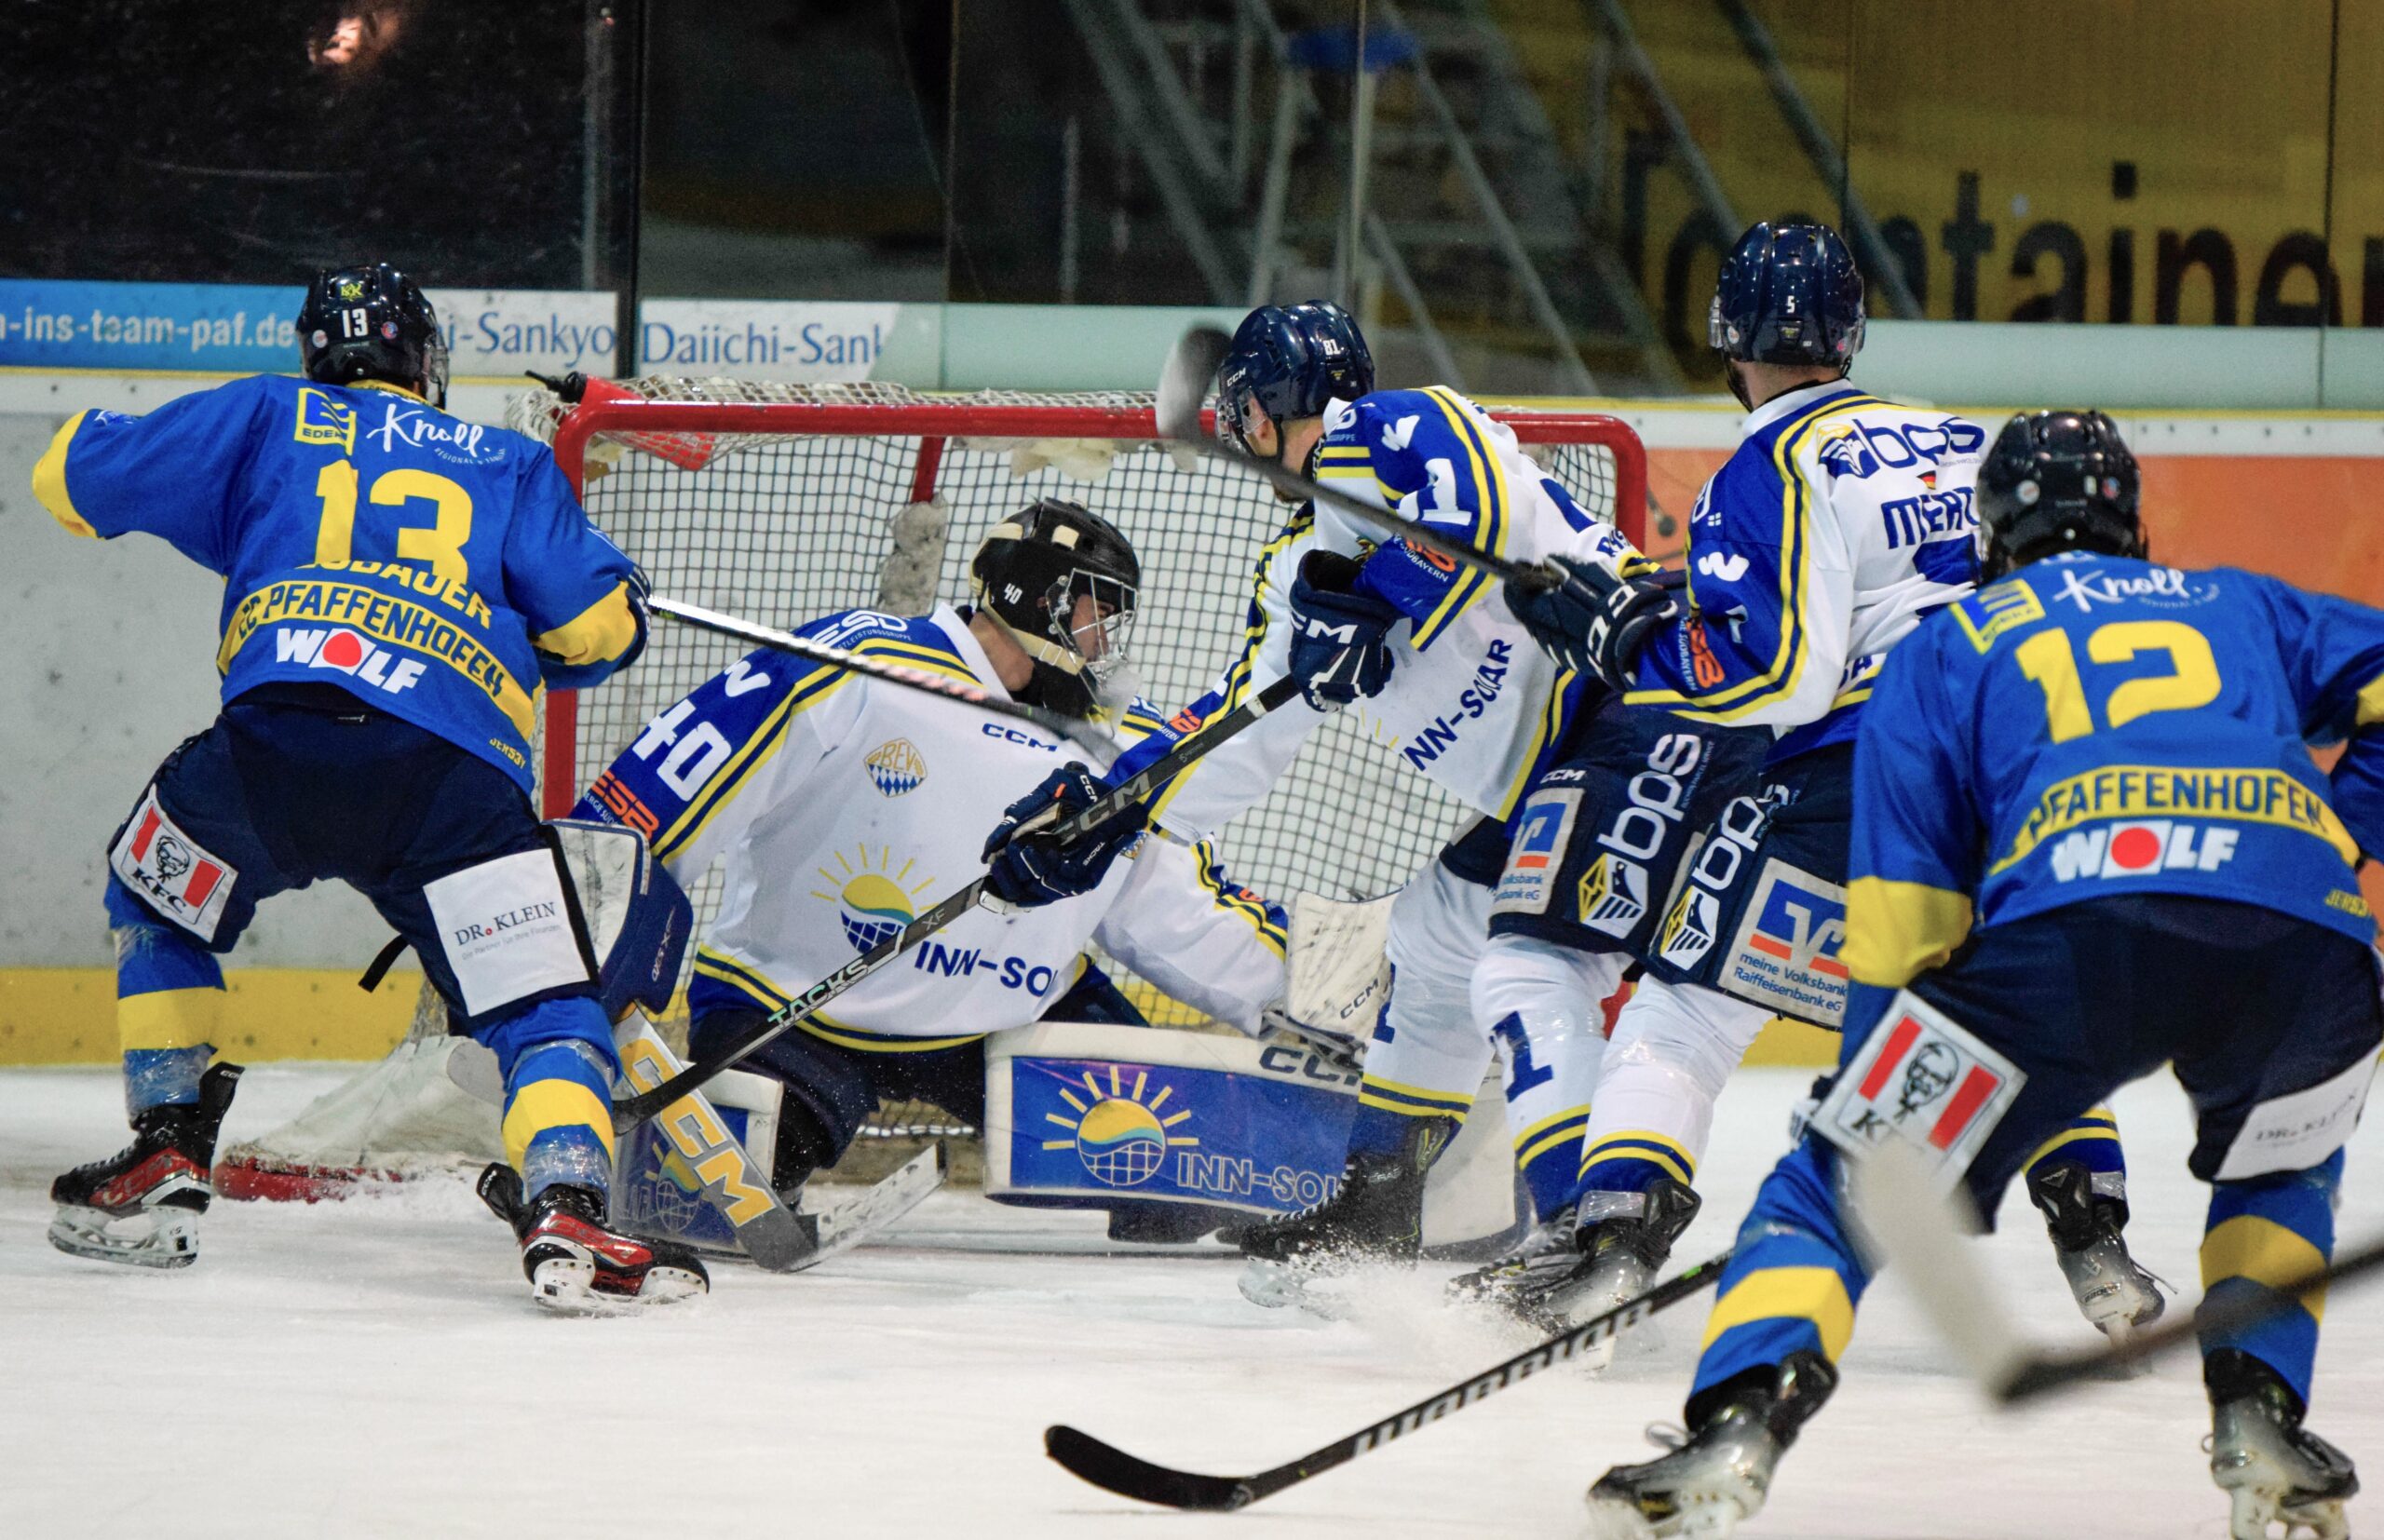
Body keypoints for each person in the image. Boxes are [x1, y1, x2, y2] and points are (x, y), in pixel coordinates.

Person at [1581, 409, 2381, 1540]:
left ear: (1989, 534)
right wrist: (2340, 838)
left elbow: (1902, 921)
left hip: (2077, 931)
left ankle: (1735, 1430)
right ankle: (2261, 1418)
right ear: (2134, 524)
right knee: (2279, 1165)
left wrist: (1866, 1107)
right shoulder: (2238, 602)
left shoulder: (1945, 645)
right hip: (2306, 942)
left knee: (1835, 1179)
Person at [981, 302, 1754, 1296]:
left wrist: (1382, 588)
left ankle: (1586, 1227)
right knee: (1431, 947)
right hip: (1556, 778)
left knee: (1526, 963)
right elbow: (1242, 733)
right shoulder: (1300, 568)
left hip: (1640, 711)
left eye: (1242, 414)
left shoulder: (1397, 427)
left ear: (1261, 413)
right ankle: (1377, 1199)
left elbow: (1475, 521)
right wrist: (1111, 811)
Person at [1500, 223, 2158, 1337]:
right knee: (2014, 1003)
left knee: (1681, 1011)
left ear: (1726, 337)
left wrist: (1630, 647)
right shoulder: (1951, 438)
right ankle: (2098, 1247)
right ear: (1850, 333)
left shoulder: (1765, 466)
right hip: (2010, 774)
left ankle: (1611, 1245)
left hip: (1861, 777)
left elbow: (1786, 676)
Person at [34, 263, 695, 1310]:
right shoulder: (505, 459)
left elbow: (66, 476)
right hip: (449, 785)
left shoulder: (265, 414)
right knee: (542, 1004)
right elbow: (594, 632)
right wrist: (597, 610)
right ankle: (568, 1203)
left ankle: (165, 1142)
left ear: (316, 354)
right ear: (424, 359)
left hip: (272, 760)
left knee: (156, 897)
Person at [577, 498, 1289, 1225]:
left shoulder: (1120, 742)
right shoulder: (862, 661)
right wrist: (564, 976)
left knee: (1211, 1178)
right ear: (1040, 599)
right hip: (798, 1011)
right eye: (1096, 614)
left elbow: (1176, 912)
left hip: (1007, 1020)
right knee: (708, 1198)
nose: (1105, 642)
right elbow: (670, 794)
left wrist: (1303, 1004)